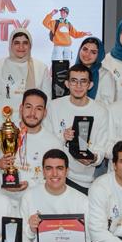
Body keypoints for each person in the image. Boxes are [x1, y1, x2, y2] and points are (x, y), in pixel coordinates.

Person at [0, 89, 64, 207]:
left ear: (45, 113)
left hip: (32, 205)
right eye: (28, 107)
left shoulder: (54, 143)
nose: (32, 113)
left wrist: (30, 186)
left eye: (38, 109)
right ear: (21, 108)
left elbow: (55, 178)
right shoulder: (2, 132)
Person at [43, 64, 109, 192]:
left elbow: (101, 147)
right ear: (67, 84)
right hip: (55, 176)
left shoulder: (100, 111)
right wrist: (63, 137)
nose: (78, 86)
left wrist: (93, 158)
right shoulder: (53, 106)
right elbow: (45, 140)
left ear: (90, 85)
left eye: (83, 81)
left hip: (84, 180)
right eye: (74, 81)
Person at [0, 28, 46, 132]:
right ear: (11, 45)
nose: (21, 47)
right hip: (3, 128)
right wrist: (11, 126)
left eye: (25, 43)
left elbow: (46, 102)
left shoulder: (41, 68)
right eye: (17, 43)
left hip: (32, 128)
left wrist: (30, 125)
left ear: (30, 45)